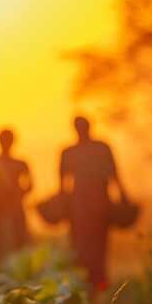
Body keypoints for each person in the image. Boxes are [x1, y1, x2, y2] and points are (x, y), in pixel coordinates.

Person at [60, 116, 126, 287]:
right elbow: (62, 184)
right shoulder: (71, 151)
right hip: (82, 204)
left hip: (96, 203)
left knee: (96, 245)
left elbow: (114, 174)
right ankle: (85, 283)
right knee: (82, 245)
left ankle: (98, 284)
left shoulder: (99, 148)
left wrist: (123, 196)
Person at [0, 129, 32, 255]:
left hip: (16, 208)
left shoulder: (21, 164)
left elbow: (30, 186)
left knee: (20, 240)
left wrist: (17, 194)